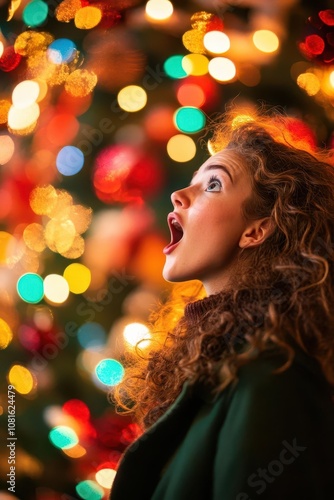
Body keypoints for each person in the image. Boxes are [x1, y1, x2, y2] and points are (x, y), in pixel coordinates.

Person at [109, 109, 334, 499]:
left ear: (257, 229)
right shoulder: (215, 355)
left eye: (213, 185)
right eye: (194, 181)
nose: (180, 194)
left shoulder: (271, 373)